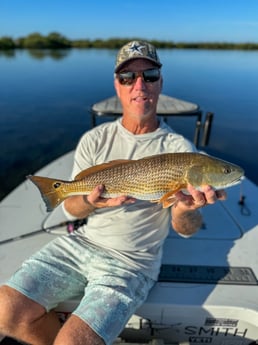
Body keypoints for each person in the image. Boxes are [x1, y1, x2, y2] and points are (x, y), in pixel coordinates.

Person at [0, 40, 226, 345]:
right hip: (82, 243)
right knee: (5, 312)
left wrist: (187, 209)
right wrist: (90, 202)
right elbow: (71, 211)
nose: (139, 85)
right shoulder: (95, 139)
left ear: (161, 83)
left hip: (132, 262)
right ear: (117, 86)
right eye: (127, 77)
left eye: (149, 75)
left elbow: (184, 229)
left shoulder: (180, 150)